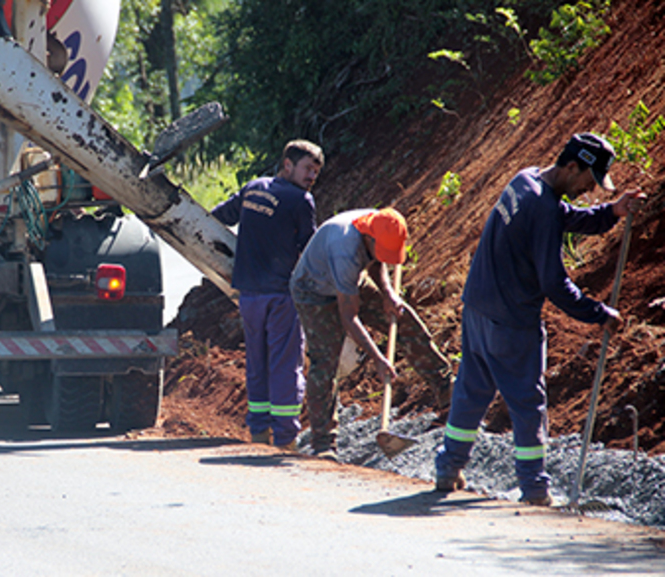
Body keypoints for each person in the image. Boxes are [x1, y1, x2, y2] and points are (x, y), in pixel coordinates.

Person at [434, 133, 645, 506]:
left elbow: (564, 218)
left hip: (478, 308)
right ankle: (535, 489)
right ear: (570, 166)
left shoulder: (526, 179)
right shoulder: (544, 208)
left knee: (470, 391)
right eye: (587, 180)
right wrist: (598, 313)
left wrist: (611, 212)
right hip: (512, 321)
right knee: (528, 404)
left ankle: (448, 469)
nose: (588, 189)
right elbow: (554, 283)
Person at [290, 207, 454, 461]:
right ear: (369, 238)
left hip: (351, 281)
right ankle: (323, 442)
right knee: (325, 360)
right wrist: (378, 358)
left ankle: (448, 397)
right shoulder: (344, 249)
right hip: (314, 291)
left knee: (404, 319)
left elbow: (375, 260)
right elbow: (349, 318)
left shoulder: (380, 223)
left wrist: (388, 294)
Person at [211, 140, 322, 450]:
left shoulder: (253, 187)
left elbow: (219, 216)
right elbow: (310, 249)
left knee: (257, 363)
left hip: (249, 296)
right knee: (285, 365)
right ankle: (286, 438)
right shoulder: (301, 200)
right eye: (307, 169)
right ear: (287, 164)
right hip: (281, 297)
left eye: (315, 171)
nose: (311, 176)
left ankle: (259, 432)